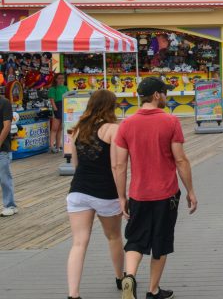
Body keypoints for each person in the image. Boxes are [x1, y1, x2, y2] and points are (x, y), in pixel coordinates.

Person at [114, 77, 198, 299]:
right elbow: (180, 160)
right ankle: (153, 290)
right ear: (156, 95)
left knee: (135, 239)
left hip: (138, 194)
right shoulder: (170, 122)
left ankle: (129, 277)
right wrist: (190, 190)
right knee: (160, 242)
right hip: (166, 194)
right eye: (165, 92)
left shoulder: (126, 125)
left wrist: (122, 197)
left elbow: (120, 165)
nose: (166, 96)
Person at [66, 90, 124, 299]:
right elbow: (117, 165)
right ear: (111, 106)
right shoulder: (112, 129)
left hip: (78, 191)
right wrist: (122, 195)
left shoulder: (78, 129)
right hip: (105, 192)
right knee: (114, 236)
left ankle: (73, 294)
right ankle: (120, 277)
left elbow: (75, 164)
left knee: (79, 242)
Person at [0, 93, 16, 217]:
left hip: (2, 148)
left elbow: (7, 126)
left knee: (4, 177)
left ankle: (10, 205)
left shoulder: (4, 103)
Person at [48, 73, 68, 152]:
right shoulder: (53, 89)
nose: (61, 80)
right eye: (59, 78)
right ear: (56, 79)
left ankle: (58, 145)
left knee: (60, 128)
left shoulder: (66, 88)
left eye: (62, 78)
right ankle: (51, 146)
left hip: (64, 107)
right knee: (54, 128)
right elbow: (52, 100)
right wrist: (55, 109)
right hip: (57, 107)